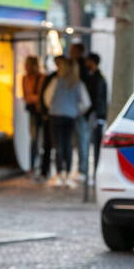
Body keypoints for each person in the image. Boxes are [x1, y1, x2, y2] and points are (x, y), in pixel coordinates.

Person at [43, 56, 90, 188]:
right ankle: (68, 173)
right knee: (68, 145)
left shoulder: (56, 81)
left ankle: (59, 174)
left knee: (58, 145)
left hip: (56, 115)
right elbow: (86, 103)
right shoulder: (77, 83)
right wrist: (76, 110)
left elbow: (47, 98)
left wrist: (53, 107)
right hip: (70, 116)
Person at [68, 42, 92, 180]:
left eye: (73, 50)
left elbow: (85, 93)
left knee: (82, 139)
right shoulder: (77, 65)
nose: (70, 52)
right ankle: (79, 169)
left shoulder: (81, 68)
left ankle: (82, 169)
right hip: (74, 109)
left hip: (79, 110)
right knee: (77, 140)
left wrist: (83, 110)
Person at [83, 53, 108, 172]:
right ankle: (95, 170)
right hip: (97, 114)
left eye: (87, 61)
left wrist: (89, 113)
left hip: (96, 115)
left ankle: (96, 170)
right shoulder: (97, 77)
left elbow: (97, 98)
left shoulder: (97, 78)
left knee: (96, 144)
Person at [22, 56, 45, 178]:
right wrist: (33, 98)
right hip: (32, 111)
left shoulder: (41, 78)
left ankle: (39, 166)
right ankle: (32, 166)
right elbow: (27, 96)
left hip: (40, 112)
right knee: (34, 139)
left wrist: (33, 98)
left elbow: (39, 96)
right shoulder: (25, 78)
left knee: (39, 139)